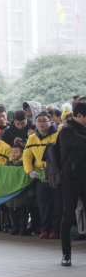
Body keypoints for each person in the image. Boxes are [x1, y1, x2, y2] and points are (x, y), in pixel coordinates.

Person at [54, 102, 86, 266]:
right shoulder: (67, 131)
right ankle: (66, 255)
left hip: (84, 178)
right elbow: (82, 142)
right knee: (67, 217)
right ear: (79, 115)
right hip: (70, 179)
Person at [24, 111, 61, 240]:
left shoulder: (57, 136)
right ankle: (44, 229)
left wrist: (51, 171)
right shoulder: (32, 138)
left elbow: (61, 157)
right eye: (39, 121)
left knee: (57, 202)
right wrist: (29, 170)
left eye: (44, 120)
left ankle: (55, 230)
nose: (41, 123)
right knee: (43, 202)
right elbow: (27, 155)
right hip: (40, 175)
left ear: (50, 122)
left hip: (55, 174)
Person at [5, 139, 34, 236]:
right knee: (12, 210)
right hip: (11, 190)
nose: (13, 154)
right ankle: (15, 227)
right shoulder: (7, 163)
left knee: (22, 210)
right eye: (12, 152)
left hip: (22, 191)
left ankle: (23, 228)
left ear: (21, 154)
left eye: (16, 152)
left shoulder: (24, 164)